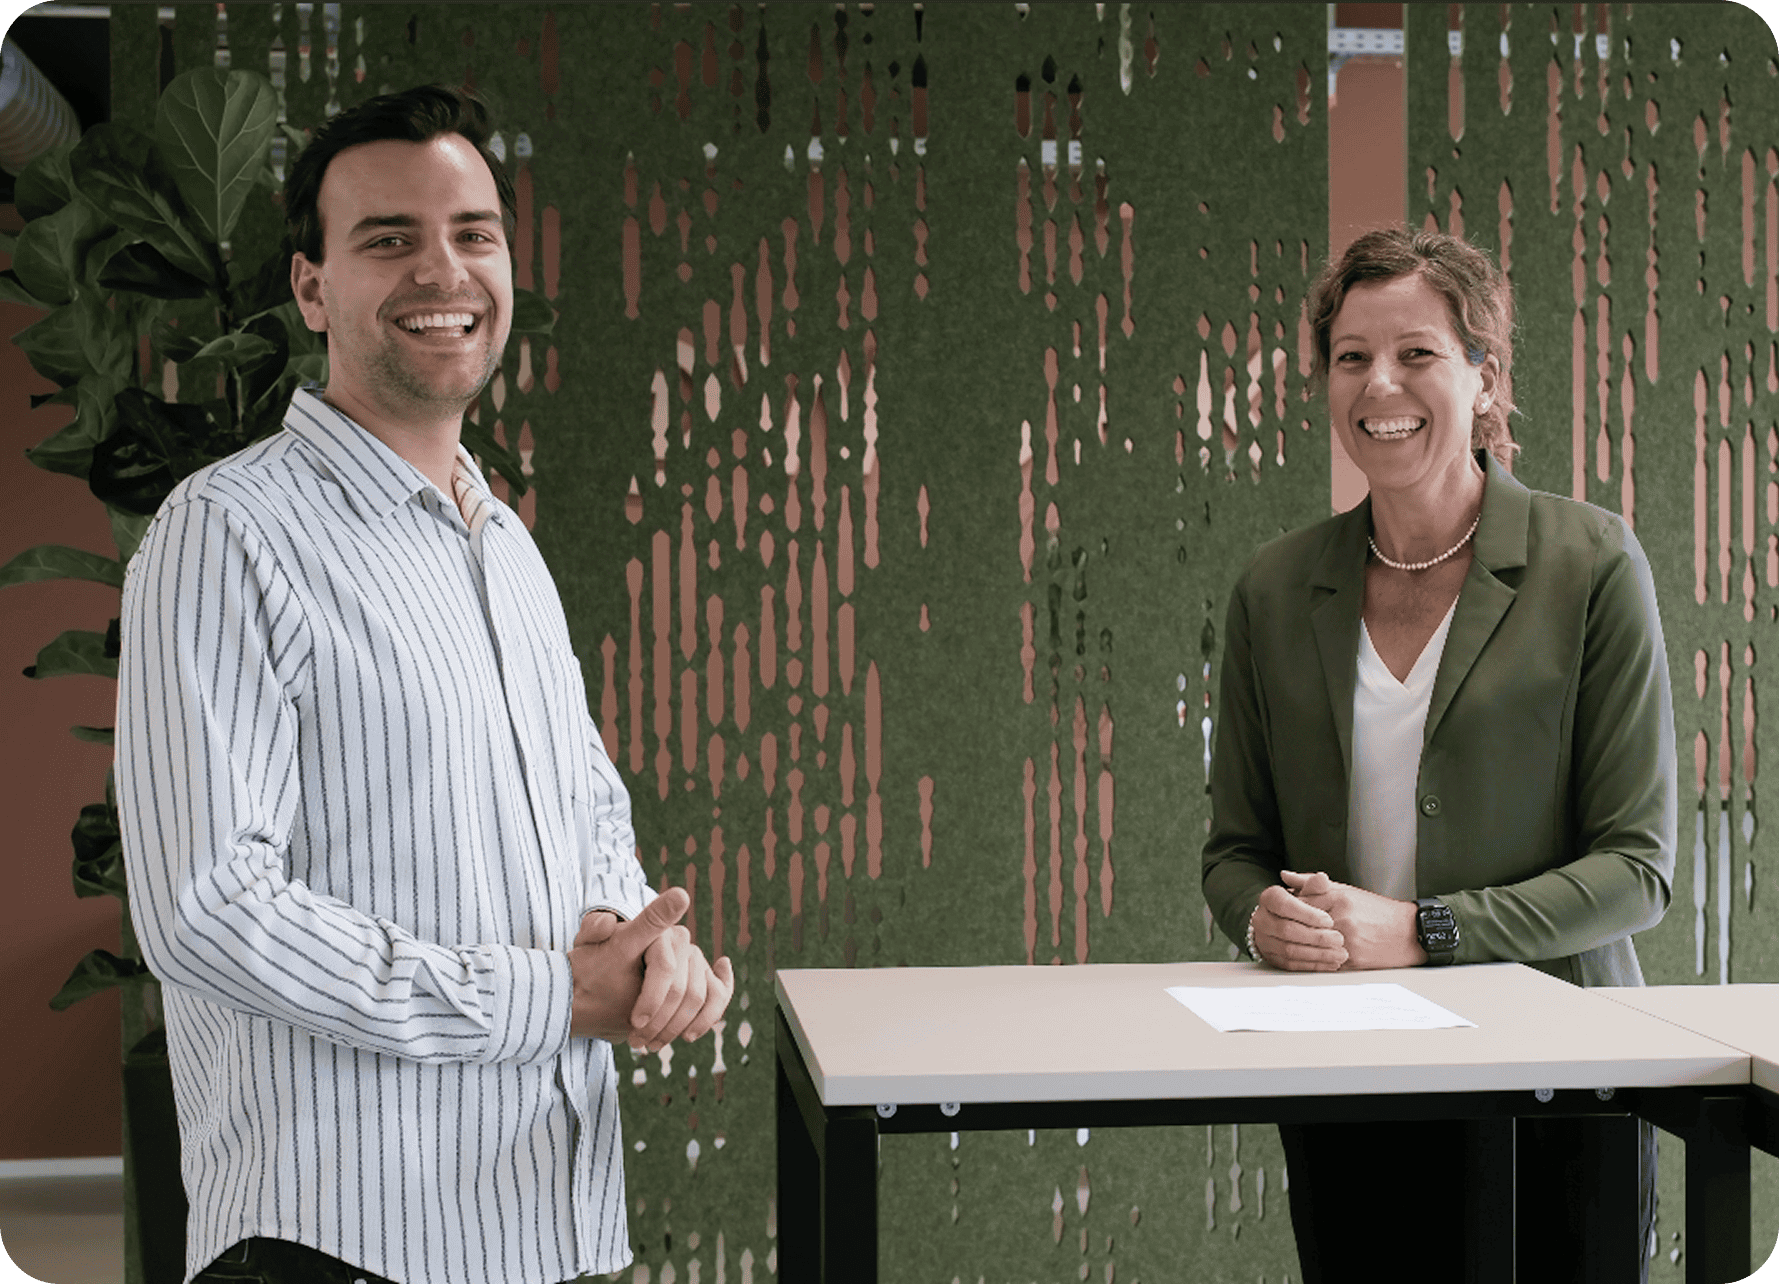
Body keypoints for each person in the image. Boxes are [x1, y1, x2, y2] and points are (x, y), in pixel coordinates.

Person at [116, 85, 732, 1284]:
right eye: (390, 238)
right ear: (313, 289)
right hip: (337, 1239)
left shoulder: (502, 540)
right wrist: (546, 998)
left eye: (473, 234)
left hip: (533, 1221)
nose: (442, 270)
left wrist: (633, 940)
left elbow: (586, 809)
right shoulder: (227, 531)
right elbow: (208, 909)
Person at [1201, 228, 1674, 1282]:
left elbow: (1635, 869)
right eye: (1351, 357)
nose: (1381, 384)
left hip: (1560, 1081)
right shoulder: (1273, 590)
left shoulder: (1592, 564)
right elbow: (1234, 852)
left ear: (1484, 377)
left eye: (1416, 353)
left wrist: (1426, 930)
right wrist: (1260, 919)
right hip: (1347, 1081)